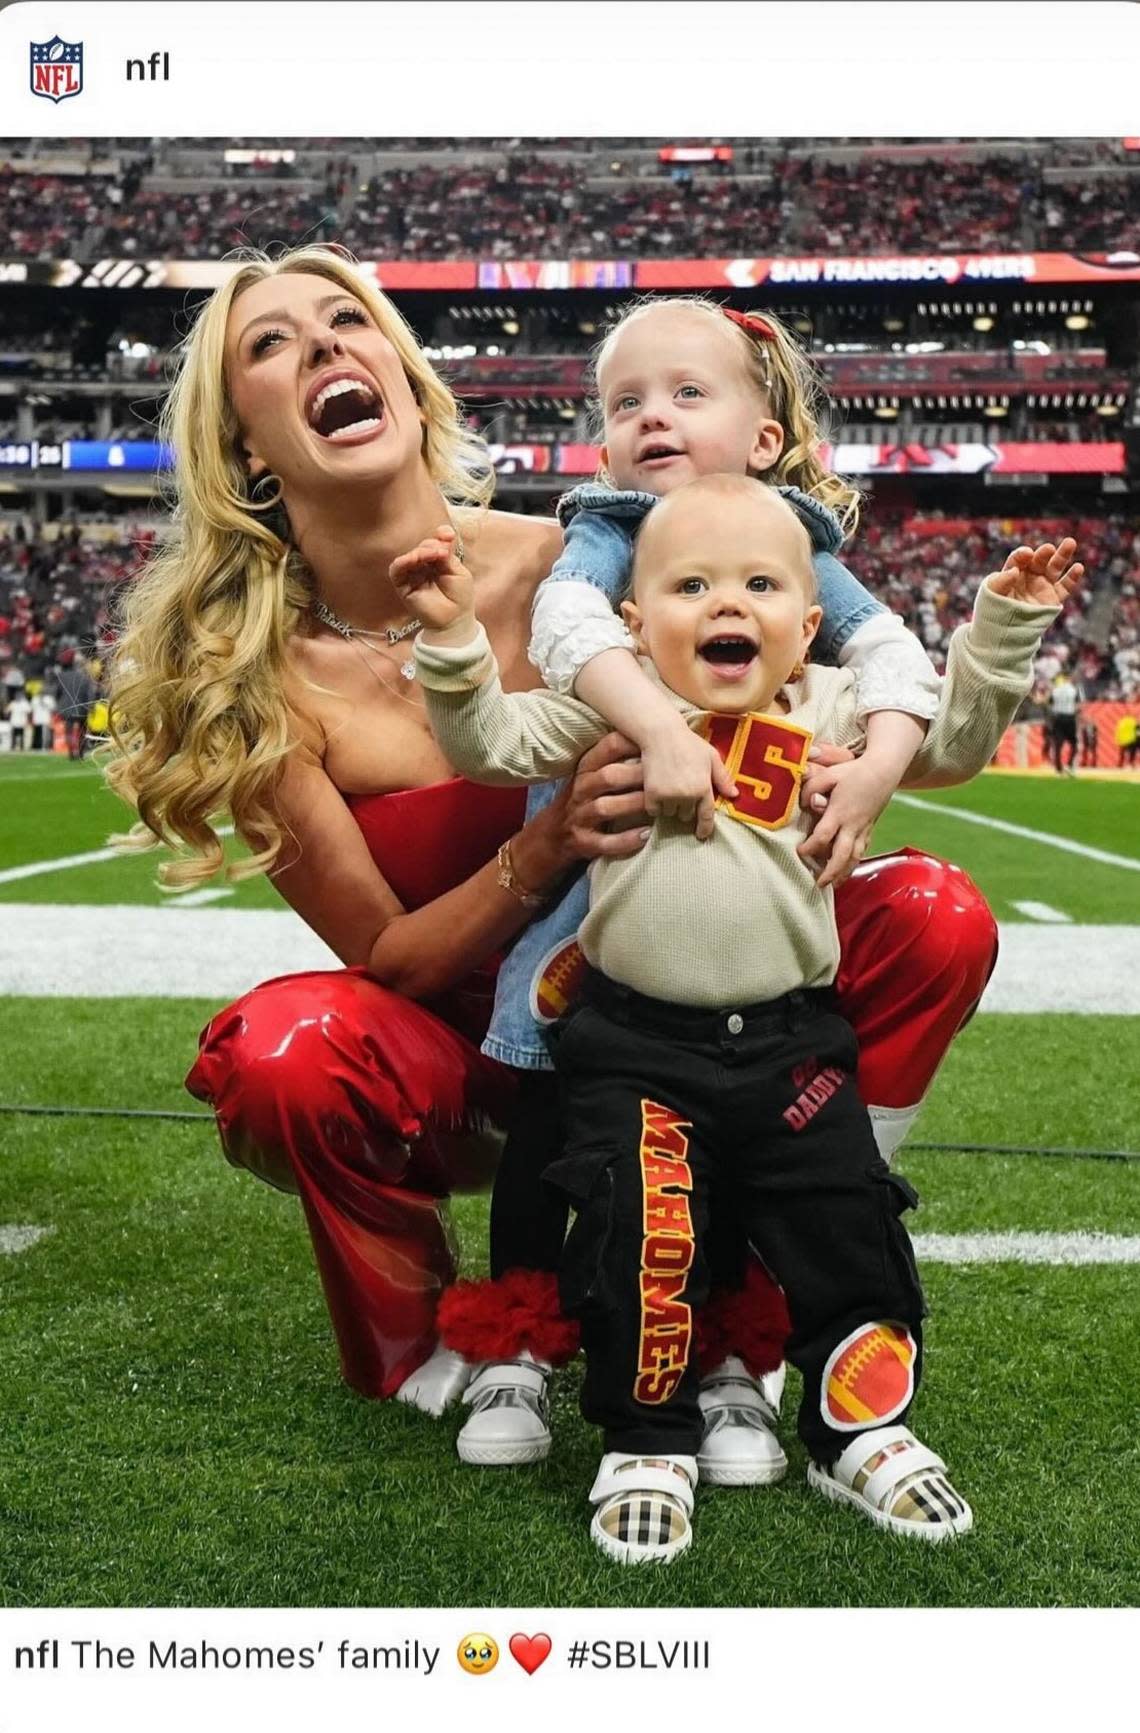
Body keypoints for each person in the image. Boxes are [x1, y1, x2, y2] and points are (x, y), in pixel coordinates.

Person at [102, 246, 998, 1442]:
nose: (321, 347)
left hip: (681, 1011)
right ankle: (432, 1327)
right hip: (470, 1066)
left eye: (346, 321)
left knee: (939, 910)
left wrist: (854, 762)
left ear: (409, 384)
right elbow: (389, 956)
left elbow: (817, 679)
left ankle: (780, 1268)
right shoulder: (246, 685)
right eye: (269, 344)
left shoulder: (604, 552)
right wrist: (553, 844)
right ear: (246, 445)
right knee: (287, 1049)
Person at [398, 475, 1082, 1559]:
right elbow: (487, 739)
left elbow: (950, 742)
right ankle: (649, 1433)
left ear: (808, 624)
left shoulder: (834, 708)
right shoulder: (612, 706)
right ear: (633, 622)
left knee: (848, 1224)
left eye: (761, 583)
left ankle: (860, 1425)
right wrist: (448, 638)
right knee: (636, 1236)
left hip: (788, 1038)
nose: (728, 603)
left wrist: (1000, 628)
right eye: (691, 584)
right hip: (633, 1042)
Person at [432, 298, 980, 1480]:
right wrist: (657, 731)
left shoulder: (799, 548)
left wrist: (878, 763)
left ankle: (730, 1346)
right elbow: (570, 624)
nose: (651, 417)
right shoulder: (614, 529)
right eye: (626, 402)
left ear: (768, 433)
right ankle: (523, 1331)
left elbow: (889, 654)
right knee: (549, 1093)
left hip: (744, 892)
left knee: (738, 1138)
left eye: (688, 393)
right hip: (599, 866)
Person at [1049, 669, 1080, 774]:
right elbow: (1077, 706)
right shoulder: (1074, 689)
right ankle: (1070, 765)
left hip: (1058, 718)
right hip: (1070, 717)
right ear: (1070, 678)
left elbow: (1050, 703)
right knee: (1074, 744)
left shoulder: (1055, 690)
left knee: (1058, 744)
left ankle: (1058, 769)